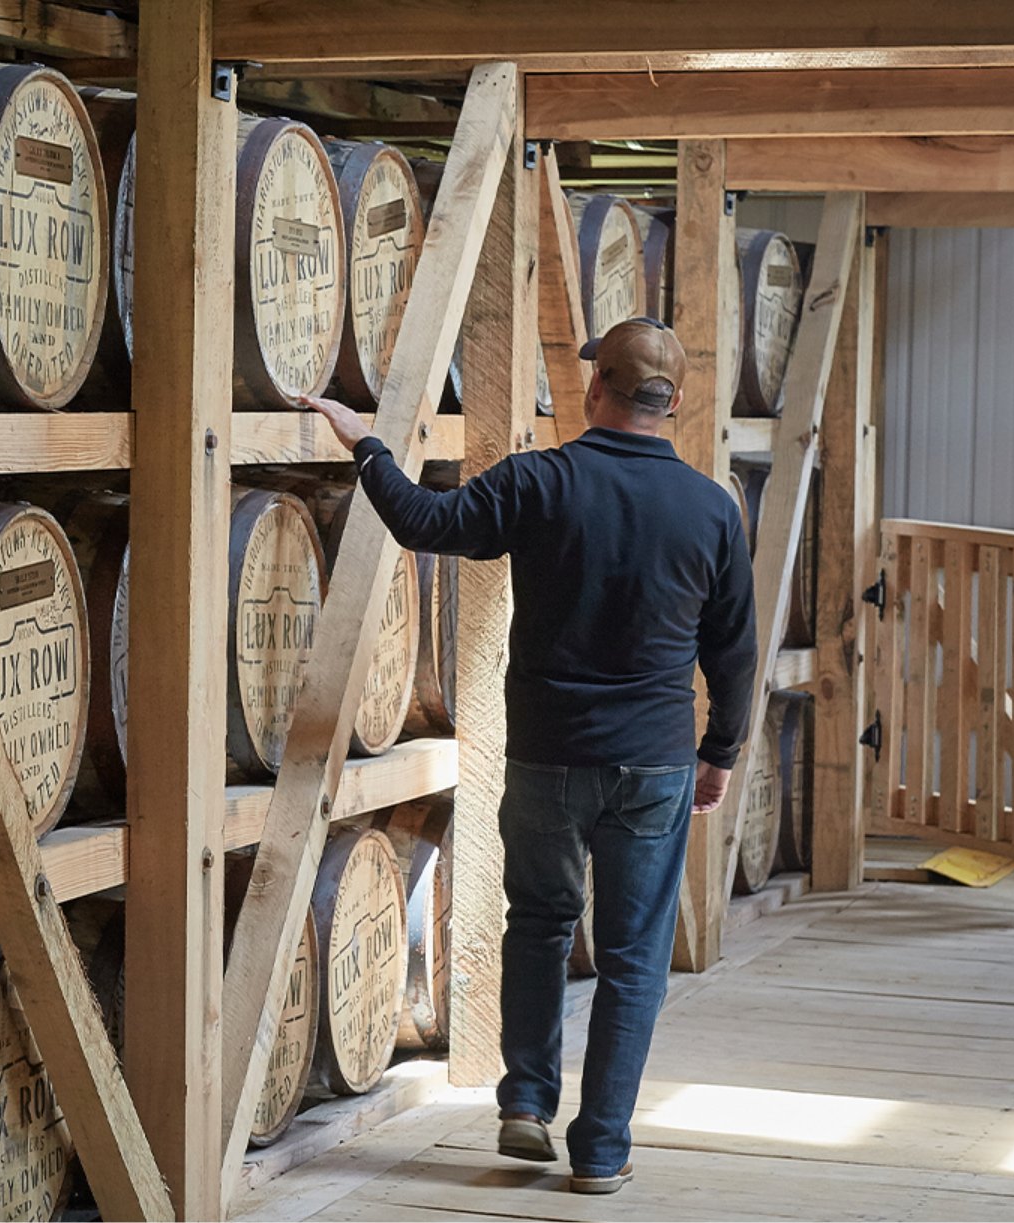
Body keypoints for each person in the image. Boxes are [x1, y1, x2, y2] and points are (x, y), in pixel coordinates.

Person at [301, 317, 757, 1195]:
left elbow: (425, 522)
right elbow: (732, 652)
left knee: (541, 925)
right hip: (656, 764)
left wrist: (366, 445)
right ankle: (603, 1148)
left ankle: (527, 1099)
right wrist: (721, 751)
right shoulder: (711, 509)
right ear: (677, 401)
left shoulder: (544, 480)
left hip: (546, 757)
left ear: (597, 391)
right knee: (632, 960)